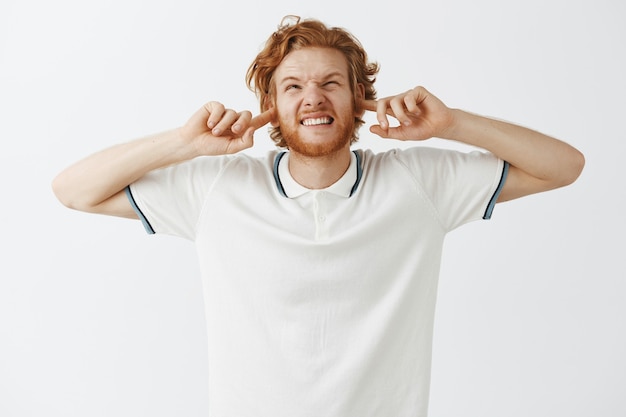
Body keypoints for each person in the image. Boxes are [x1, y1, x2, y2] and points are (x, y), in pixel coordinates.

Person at [52, 15, 584, 417]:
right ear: (271, 108)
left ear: (359, 99)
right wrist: (184, 143)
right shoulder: (215, 188)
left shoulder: (420, 182)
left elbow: (564, 166)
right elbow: (74, 191)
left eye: (331, 83)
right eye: (293, 87)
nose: (313, 98)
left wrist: (451, 124)